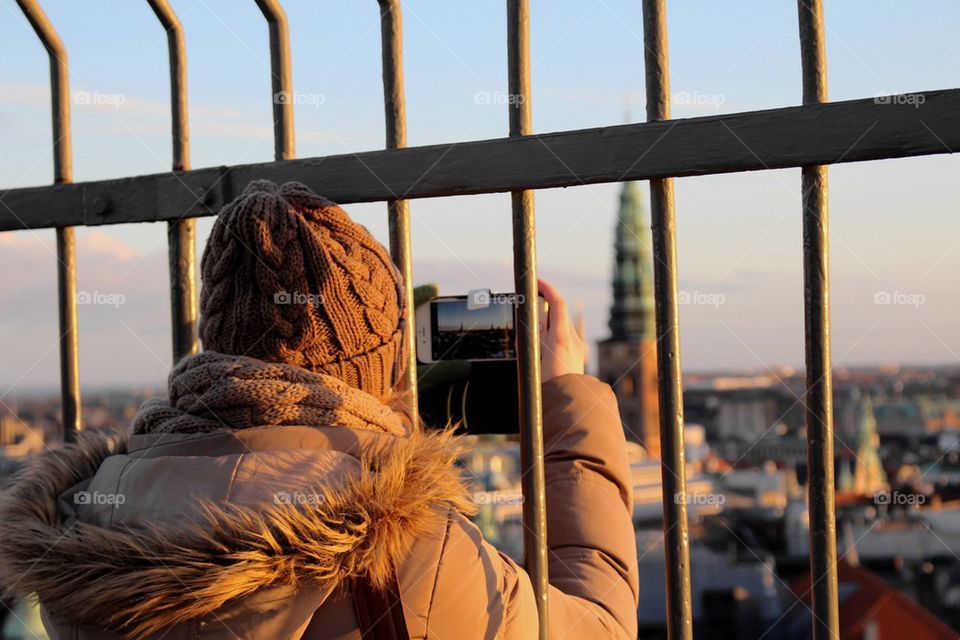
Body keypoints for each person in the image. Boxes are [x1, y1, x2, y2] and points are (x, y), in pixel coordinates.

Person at [0, 181, 638, 639]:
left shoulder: (80, 524)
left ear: (215, 342)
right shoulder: (410, 556)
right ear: (379, 368)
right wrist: (568, 403)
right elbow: (599, 628)